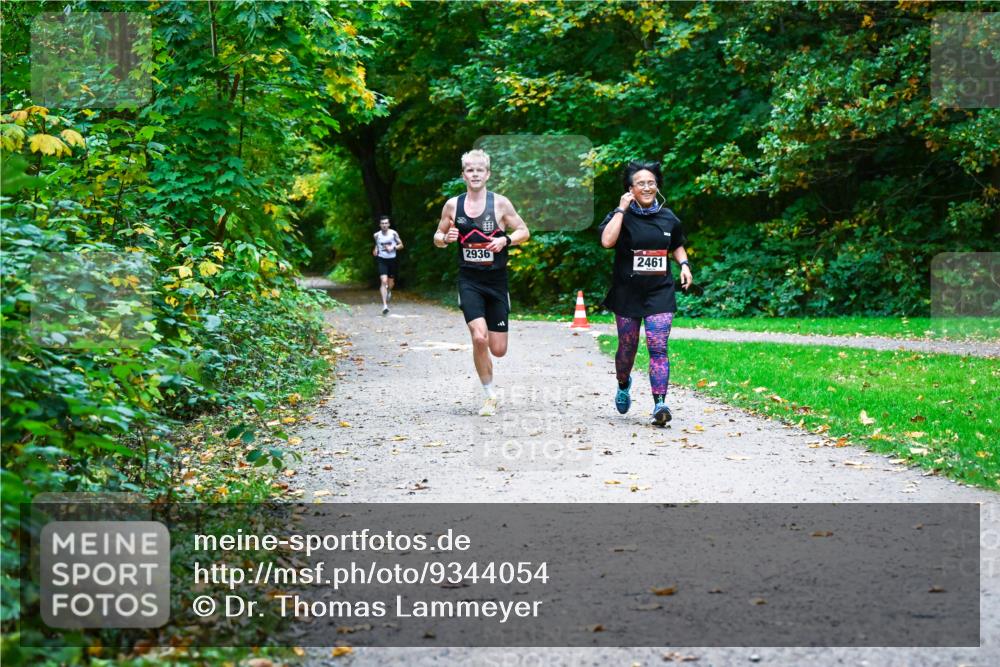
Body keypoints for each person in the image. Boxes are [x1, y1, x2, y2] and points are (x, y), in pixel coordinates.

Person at [433, 149, 530, 416]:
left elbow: (524, 231)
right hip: (469, 281)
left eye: (479, 170)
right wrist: (445, 239)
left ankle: (489, 368)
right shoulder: (453, 205)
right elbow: (438, 236)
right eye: (470, 170)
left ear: (487, 174)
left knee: (498, 349)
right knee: (478, 337)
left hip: (496, 283)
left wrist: (505, 240)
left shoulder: (500, 204)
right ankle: (490, 395)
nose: (475, 174)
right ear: (463, 175)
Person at [599, 161, 692, 426]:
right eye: (641, 183)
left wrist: (684, 265)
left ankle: (660, 404)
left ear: (657, 186)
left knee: (658, 346)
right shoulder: (620, 215)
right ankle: (623, 383)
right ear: (631, 189)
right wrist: (621, 209)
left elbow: (677, 244)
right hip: (627, 292)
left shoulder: (668, 217)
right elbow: (607, 241)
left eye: (651, 182)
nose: (647, 187)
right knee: (627, 348)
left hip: (659, 291)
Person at [373, 214, 403, 315]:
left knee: (390, 283)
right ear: (380, 225)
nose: (384, 225)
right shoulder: (376, 235)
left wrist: (393, 248)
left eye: (386, 223)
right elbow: (377, 245)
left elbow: (401, 245)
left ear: (389, 224)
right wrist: (375, 250)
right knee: (383, 281)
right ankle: (385, 305)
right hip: (382, 260)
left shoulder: (393, 233)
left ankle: (389, 290)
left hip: (392, 260)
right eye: (382, 223)